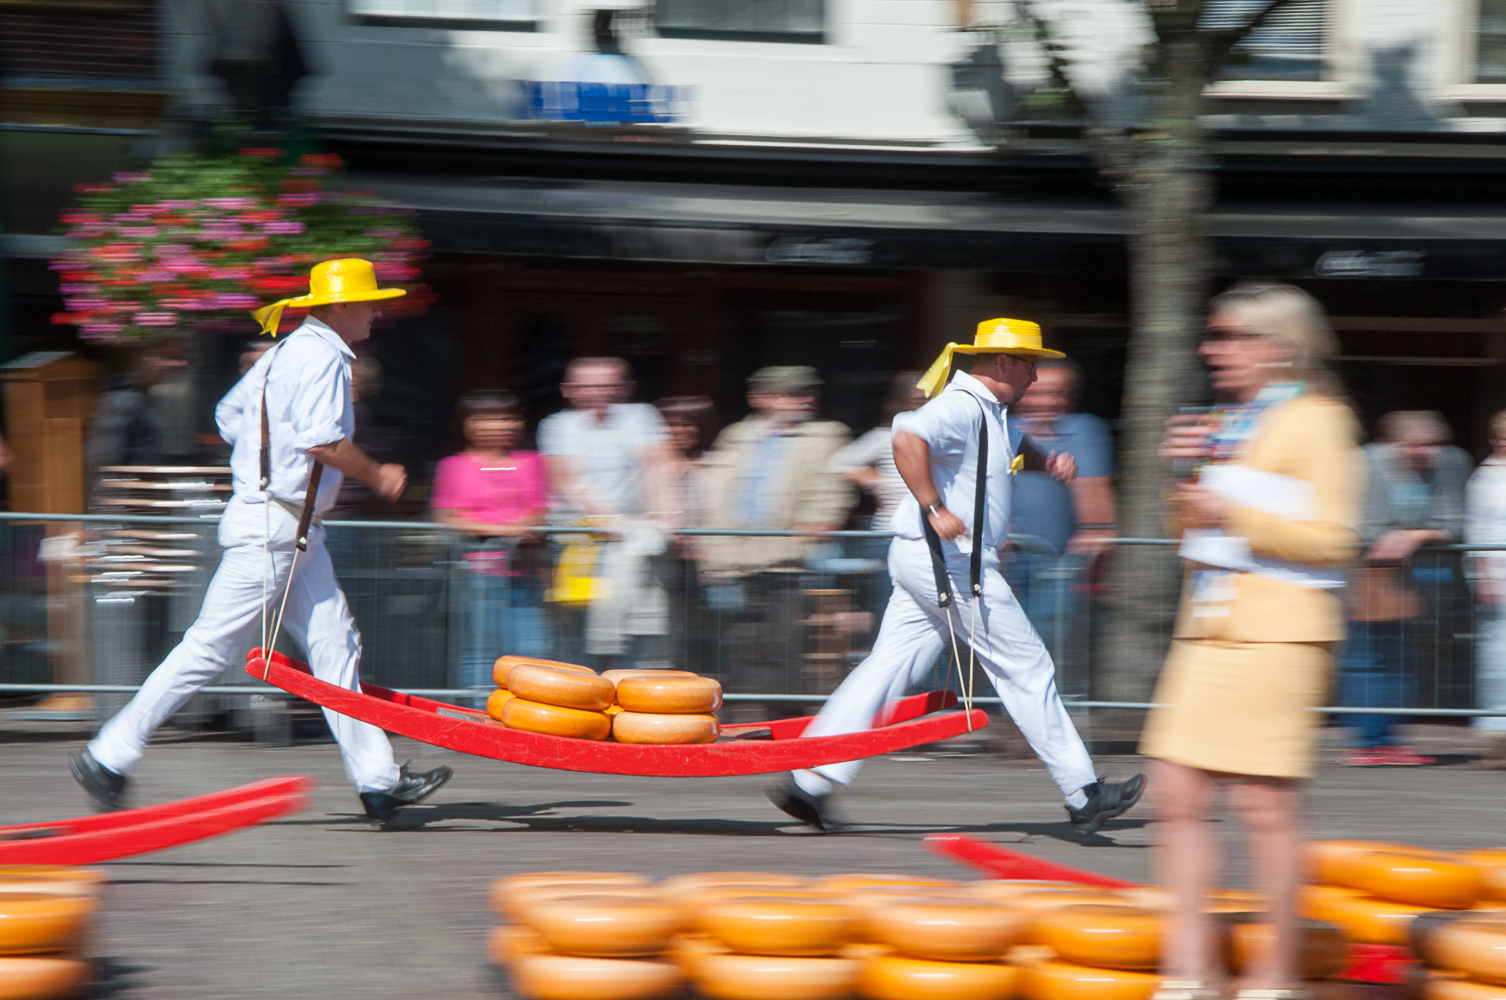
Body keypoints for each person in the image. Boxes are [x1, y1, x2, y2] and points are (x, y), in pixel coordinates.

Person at [69, 258, 453, 822]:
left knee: (334, 644)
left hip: (288, 526)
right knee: (208, 649)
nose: (378, 310)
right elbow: (323, 442)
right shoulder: (321, 357)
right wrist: (380, 474)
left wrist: (259, 458)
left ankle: (378, 782)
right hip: (278, 527)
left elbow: (228, 416)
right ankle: (109, 753)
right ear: (341, 306)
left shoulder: (283, 353)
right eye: (371, 301)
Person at [767, 320, 1144, 833]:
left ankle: (811, 782)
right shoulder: (962, 406)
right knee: (1026, 667)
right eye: (1031, 364)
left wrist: (1046, 461)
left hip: (928, 558)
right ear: (1004, 364)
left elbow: (1009, 447)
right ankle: (1083, 792)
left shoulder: (987, 411)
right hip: (952, 561)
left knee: (887, 670)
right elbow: (906, 437)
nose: (1036, 376)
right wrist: (934, 505)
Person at [1145, 282, 1360, 1000]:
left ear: (1279, 346)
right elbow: (1194, 536)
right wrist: (1183, 483)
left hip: (1279, 632)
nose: (1212, 349)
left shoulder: (1320, 419)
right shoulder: (1227, 420)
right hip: (1208, 625)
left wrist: (1230, 509)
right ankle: (1189, 970)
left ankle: (1274, 976)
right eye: (1213, 335)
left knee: (1264, 806)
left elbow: (1334, 541)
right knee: (1172, 792)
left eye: (1228, 335)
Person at [699, 366, 854, 700]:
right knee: (739, 644)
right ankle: (743, 724)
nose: (804, 400)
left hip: (788, 562)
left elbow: (832, 487)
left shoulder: (826, 435)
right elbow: (712, 491)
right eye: (792, 394)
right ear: (760, 399)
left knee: (784, 646)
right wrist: (707, 547)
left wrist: (820, 522)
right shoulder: (735, 436)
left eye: (807, 393)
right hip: (732, 561)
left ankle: (782, 726)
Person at [1341, 410, 1470, 766]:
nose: (1428, 453)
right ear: (1392, 444)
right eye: (1416, 446)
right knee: (1367, 660)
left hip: (1419, 578)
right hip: (1364, 573)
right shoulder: (1364, 463)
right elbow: (1365, 530)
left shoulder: (1453, 463)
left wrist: (1413, 535)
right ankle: (1369, 743)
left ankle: (1391, 741)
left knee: (1404, 660)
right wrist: (1414, 535)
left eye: (1435, 445)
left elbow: (1454, 525)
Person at [537, 357, 674, 669]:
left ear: (625, 387)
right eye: (587, 386)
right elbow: (570, 481)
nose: (598, 393)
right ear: (567, 389)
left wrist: (666, 517)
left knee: (640, 629)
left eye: (606, 385)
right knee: (580, 630)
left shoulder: (642, 416)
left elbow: (658, 466)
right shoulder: (557, 425)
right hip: (580, 547)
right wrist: (621, 524)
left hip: (636, 541)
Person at [432, 391, 550, 697]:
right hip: (477, 575)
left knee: (530, 651)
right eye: (485, 418)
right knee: (480, 652)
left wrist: (523, 528)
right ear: (465, 424)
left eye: (507, 417)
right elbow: (448, 517)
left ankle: (527, 723)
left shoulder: (531, 461)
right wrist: (504, 530)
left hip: (525, 573)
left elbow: (539, 511)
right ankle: (478, 717)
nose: (497, 425)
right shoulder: (453, 466)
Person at [1007, 358, 1117, 680]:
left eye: (1059, 393)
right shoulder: (1001, 428)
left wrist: (1092, 537)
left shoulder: (1083, 429)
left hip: (1057, 566)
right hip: (1004, 560)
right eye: (1038, 392)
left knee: (1047, 644)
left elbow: (1095, 493)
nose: (1048, 401)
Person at [84, 342, 187, 482]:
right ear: (141, 357)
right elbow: (102, 461)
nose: (171, 364)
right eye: (163, 356)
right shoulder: (123, 399)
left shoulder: (141, 397)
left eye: (174, 358)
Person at [1466, 409, 1506, 766]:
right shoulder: (1485, 479)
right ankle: (1496, 736)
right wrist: (1483, 575)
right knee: (1498, 657)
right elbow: (1476, 530)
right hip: (1498, 576)